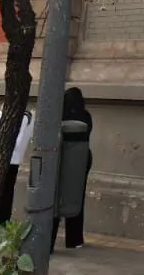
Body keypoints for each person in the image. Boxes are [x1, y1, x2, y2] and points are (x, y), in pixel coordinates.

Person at [51, 88, 93, 251]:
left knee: (55, 197)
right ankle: (74, 239)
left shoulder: (60, 116)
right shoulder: (86, 115)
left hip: (62, 158)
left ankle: (50, 239)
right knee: (76, 196)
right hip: (82, 159)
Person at [0, 105, 34, 224]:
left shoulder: (11, 115)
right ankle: (4, 220)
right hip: (16, 159)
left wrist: (0, 112)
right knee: (8, 191)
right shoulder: (29, 116)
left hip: (4, 157)